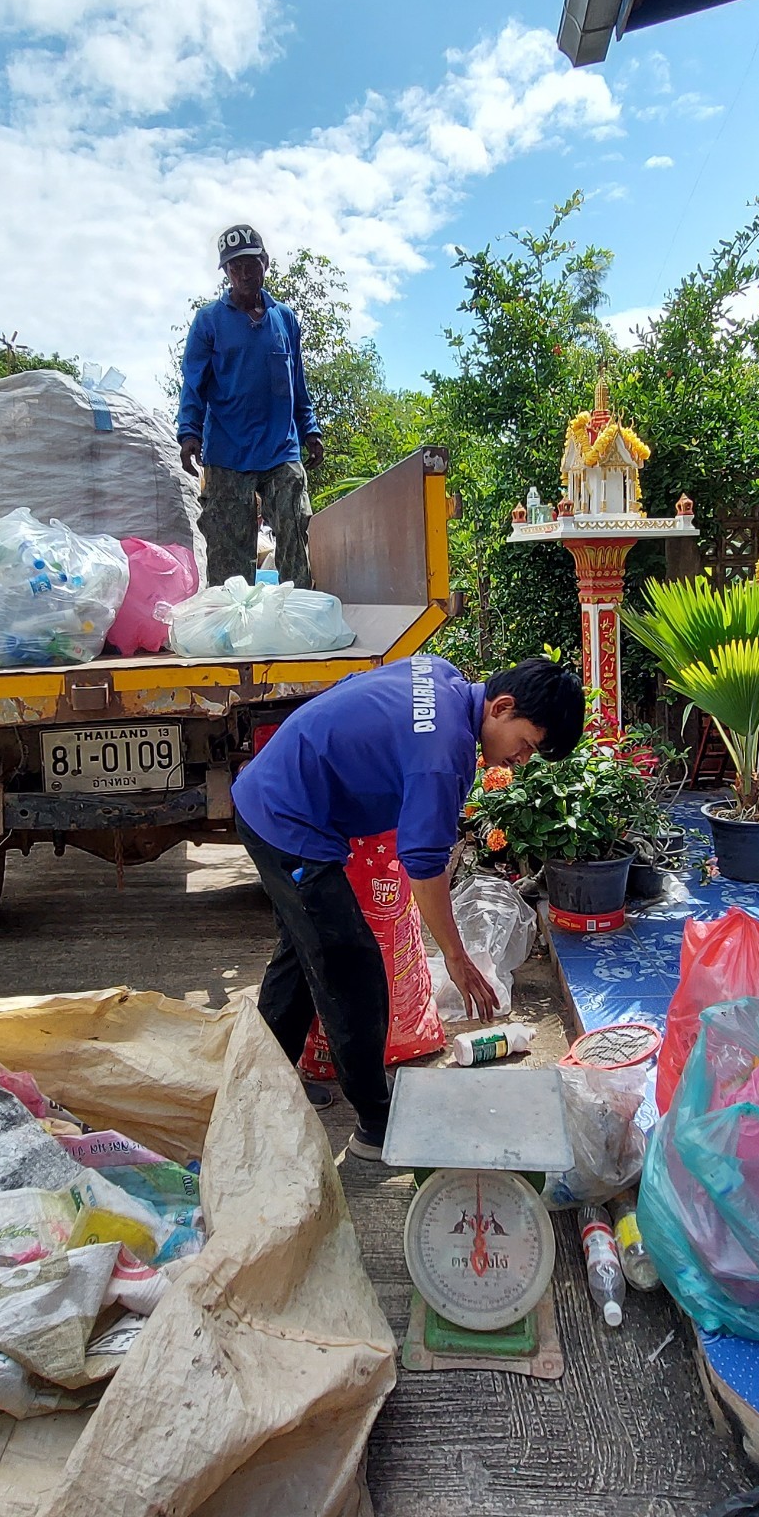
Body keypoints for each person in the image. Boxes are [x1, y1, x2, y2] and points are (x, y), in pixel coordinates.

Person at [232, 655, 585, 1158]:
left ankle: (257, 1093)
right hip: (286, 820)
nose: (521, 760)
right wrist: (457, 959)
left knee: (304, 955)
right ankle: (376, 1123)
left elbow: (359, 694)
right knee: (352, 969)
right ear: (502, 707)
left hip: (276, 796)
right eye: (526, 744)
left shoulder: (439, 675)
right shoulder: (446, 752)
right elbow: (423, 865)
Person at [179, 224, 324, 587]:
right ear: (226, 273)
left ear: (265, 264)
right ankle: (230, 629)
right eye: (234, 267)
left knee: (294, 532)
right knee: (229, 554)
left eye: (250, 264)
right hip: (228, 452)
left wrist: (310, 429)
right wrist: (188, 433)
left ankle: (299, 616)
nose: (243, 274)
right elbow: (193, 383)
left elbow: (297, 381)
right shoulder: (208, 321)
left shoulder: (285, 319)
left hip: (280, 448)